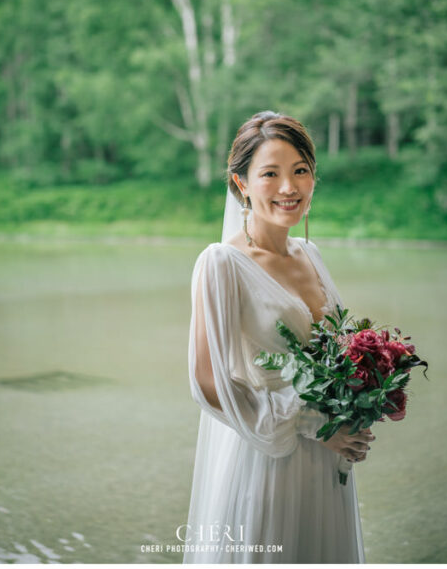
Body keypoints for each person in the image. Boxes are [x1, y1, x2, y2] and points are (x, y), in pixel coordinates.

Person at [184, 111, 371, 563]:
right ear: (241, 183)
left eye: (300, 171)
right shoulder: (220, 264)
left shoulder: (311, 254)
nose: (289, 188)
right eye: (270, 173)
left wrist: (361, 401)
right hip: (267, 459)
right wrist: (314, 426)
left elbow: (334, 351)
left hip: (326, 466)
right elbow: (207, 383)